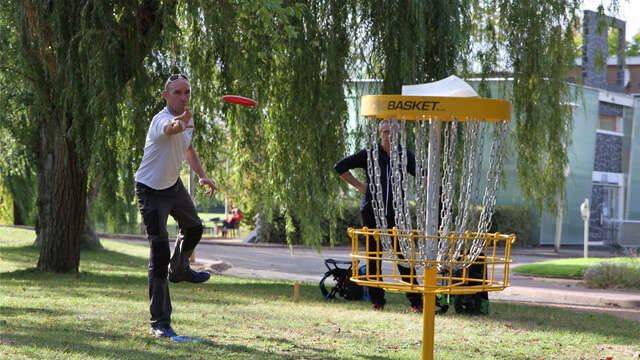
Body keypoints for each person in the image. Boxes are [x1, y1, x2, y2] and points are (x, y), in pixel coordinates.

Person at [135, 73, 218, 338]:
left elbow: (188, 149)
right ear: (166, 96)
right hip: (149, 190)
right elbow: (171, 129)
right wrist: (179, 123)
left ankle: (179, 268)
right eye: (178, 93)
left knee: (194, 227)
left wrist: (203, 175)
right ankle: (160, 323)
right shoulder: (161, 120)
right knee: (158, 254)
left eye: (187, 93)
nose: (183, 98)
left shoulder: (188, 120)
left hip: (172, 186)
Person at [334, 119, 423, 313]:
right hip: (372, 213)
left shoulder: (404, 155)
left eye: (391, 132)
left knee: (404, 256)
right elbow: (340, 166)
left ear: (398, 134)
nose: (388, 135)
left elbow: (423, 174)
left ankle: (416, 302)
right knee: (374, 257)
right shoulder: (370, 154)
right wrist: (360, 187)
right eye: (384, 132)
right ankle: (377, 301)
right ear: (380, 134)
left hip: (397, 213)